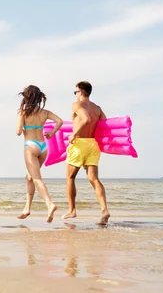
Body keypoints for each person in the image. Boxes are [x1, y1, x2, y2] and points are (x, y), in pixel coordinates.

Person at [62, 81, 111, 225]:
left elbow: (85, 119)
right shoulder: (97, 108)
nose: (75, 94)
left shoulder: (76, 105)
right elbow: (104, 124)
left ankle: (72, 211)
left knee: (70, 177)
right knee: (93, 178)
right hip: (93, 145)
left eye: (75, 92)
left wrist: (73, 135)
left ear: (81, 92)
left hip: (79, 144)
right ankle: (104, 210)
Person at [16, 85, 63, 223]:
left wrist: (23, 127)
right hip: (43, 147)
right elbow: (59, 121)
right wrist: (52, 133)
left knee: (36, 179)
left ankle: (50, 204)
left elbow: (18, 131)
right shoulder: (45, 112)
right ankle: (27, 208)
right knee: (29, 177)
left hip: (30, 146)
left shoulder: (23, 113)